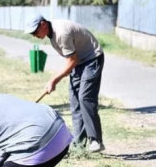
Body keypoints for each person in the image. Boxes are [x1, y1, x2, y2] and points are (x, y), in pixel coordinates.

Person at [25, 15, 105, 152]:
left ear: (43, 24)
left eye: (35, 31)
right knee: (75, 101)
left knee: (85, 98)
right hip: (79, 62)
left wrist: (54, 80)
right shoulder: (52, 35)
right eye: (32, 33)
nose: (34, 35)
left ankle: (96, 140)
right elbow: (71, 60)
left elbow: (72, 60)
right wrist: (58, 77)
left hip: (92, 59)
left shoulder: (61, 33)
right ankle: (78, 143)